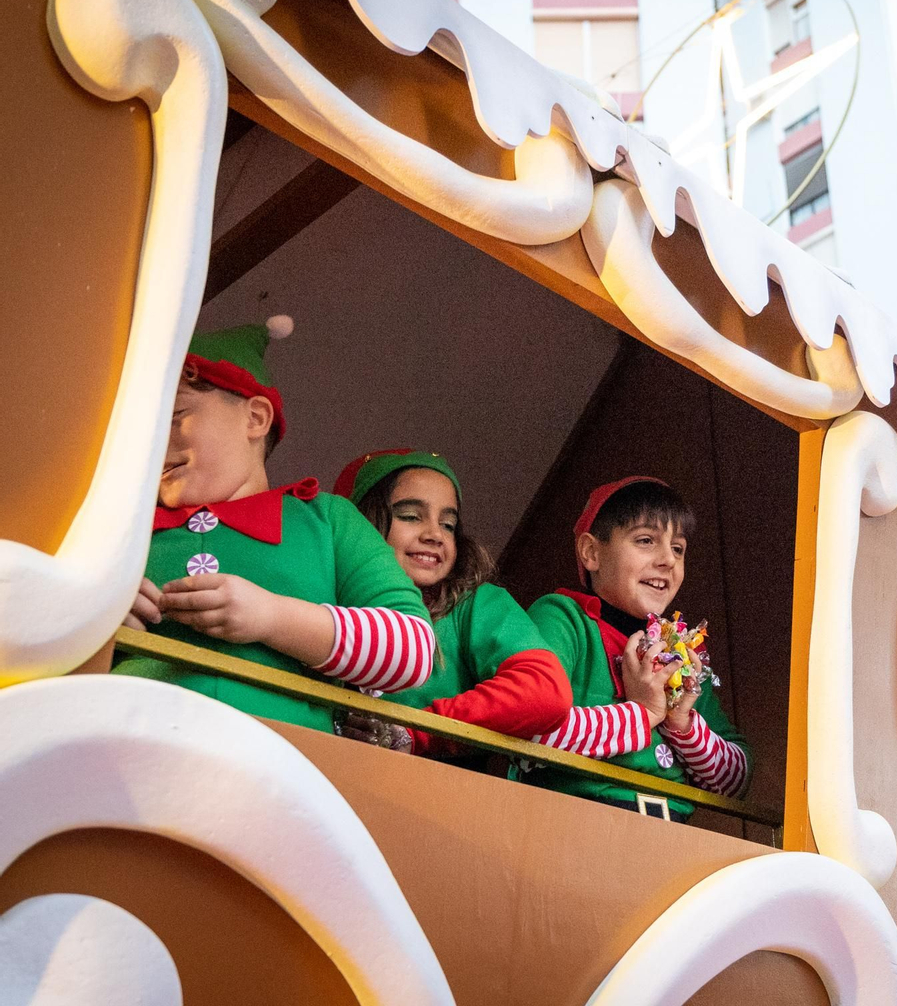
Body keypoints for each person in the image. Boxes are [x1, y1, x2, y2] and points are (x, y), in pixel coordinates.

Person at [117, 319, 435, 731]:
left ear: (255, 418)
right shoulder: (119, 523)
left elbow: (412, 651)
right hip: (124, 752)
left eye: (176, 415)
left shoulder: (326, 519)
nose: (156, 440)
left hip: (282, 767)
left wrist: (271, 617)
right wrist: (96, 621)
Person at [520, 477, 750, 822]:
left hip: (673, 836)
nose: (668, 561)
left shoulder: (679, 652)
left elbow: (735, 781)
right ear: (592, 552)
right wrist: (642, 714)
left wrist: (681, 723)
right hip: (575, 823)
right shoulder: (562, 618)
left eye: (678, 549)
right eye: (646, 541)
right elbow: (526, 723)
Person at [331, 449, 572, 755]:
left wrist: (415, 730)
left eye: (448, 524)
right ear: (358, 525)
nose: (435, 534)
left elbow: (545, 690)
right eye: (410, 516)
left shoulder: (474, 604)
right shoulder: (319, 597)